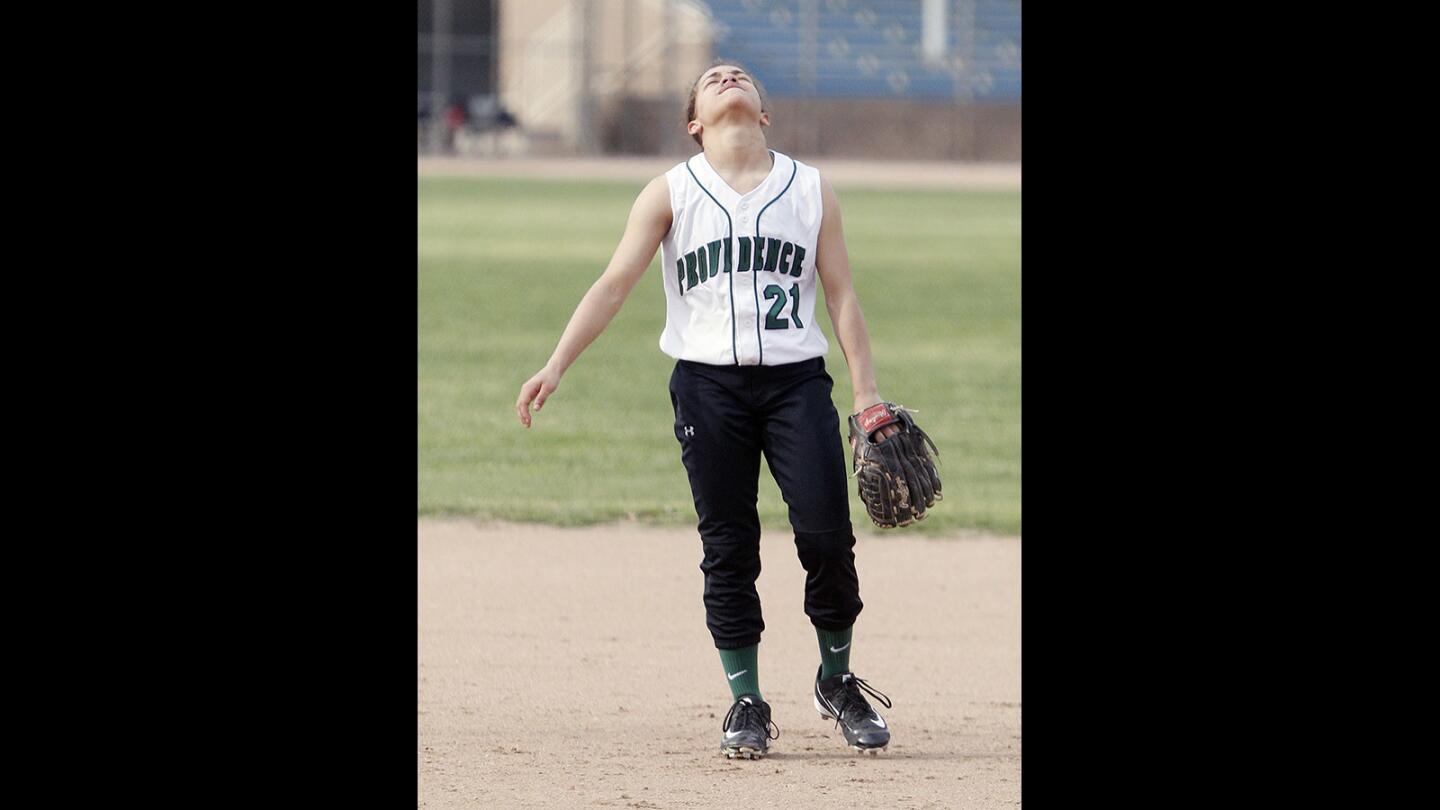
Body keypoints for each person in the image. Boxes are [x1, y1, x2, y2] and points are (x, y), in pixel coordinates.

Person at [515, 60, 897, 760]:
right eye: (713, 78)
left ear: (764, 112)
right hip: (707, 389)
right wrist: (556, 363)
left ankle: (837, 680)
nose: (728, 76)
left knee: (826, 535)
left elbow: (841, 294)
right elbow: (614, 283)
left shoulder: (810, 190)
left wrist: (867, 392)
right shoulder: (670, 192)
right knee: (728, 546)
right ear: (694, 122)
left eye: (740, 74)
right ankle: (745, 700)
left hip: (795, 385)